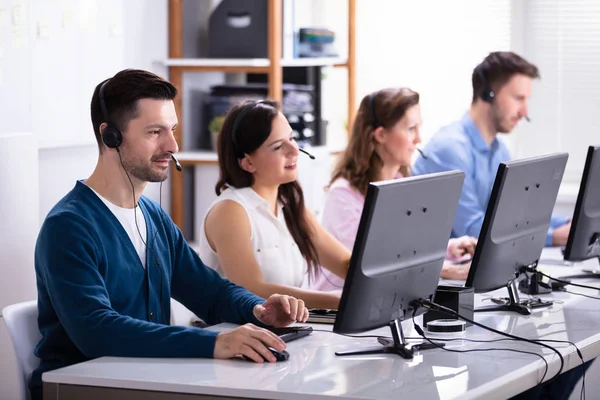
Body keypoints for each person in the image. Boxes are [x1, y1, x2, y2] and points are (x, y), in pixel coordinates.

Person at [31, 70, 309, 400]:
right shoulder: (69, 226)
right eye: (155, 132)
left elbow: (211, 293)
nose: (172, 145)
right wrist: (215, 343)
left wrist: (258, 310)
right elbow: (96, 329)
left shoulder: (153, 217)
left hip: (149, 383)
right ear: (110, 137)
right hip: (85, 388)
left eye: (172, 130)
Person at [311, 88, 478, 292]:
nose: (418, 139)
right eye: (411, 129)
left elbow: (406, 251)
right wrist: (444, 270)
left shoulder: (400, 182)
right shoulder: (342, 196)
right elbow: (373, 263)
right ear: (380, 134)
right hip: (337, 309)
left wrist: (449, 249)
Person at [198, 100, 351, 310]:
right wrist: (334, 301)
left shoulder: (289, 206)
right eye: (278, 146)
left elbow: (344, 263)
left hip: (286, 331)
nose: (294, 150)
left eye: (292, 138)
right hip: (236, 334)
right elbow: (251, 290)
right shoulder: (230, 210)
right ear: (248, 162)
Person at [413, 51, 571, 247]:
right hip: (446, 270)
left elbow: (514, 214)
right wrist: (552, 237)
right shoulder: (451, 149)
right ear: (488, 94)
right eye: (518, 98)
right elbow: (472, 228)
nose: (525, 112)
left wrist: (566, 224)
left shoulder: (499, 151)